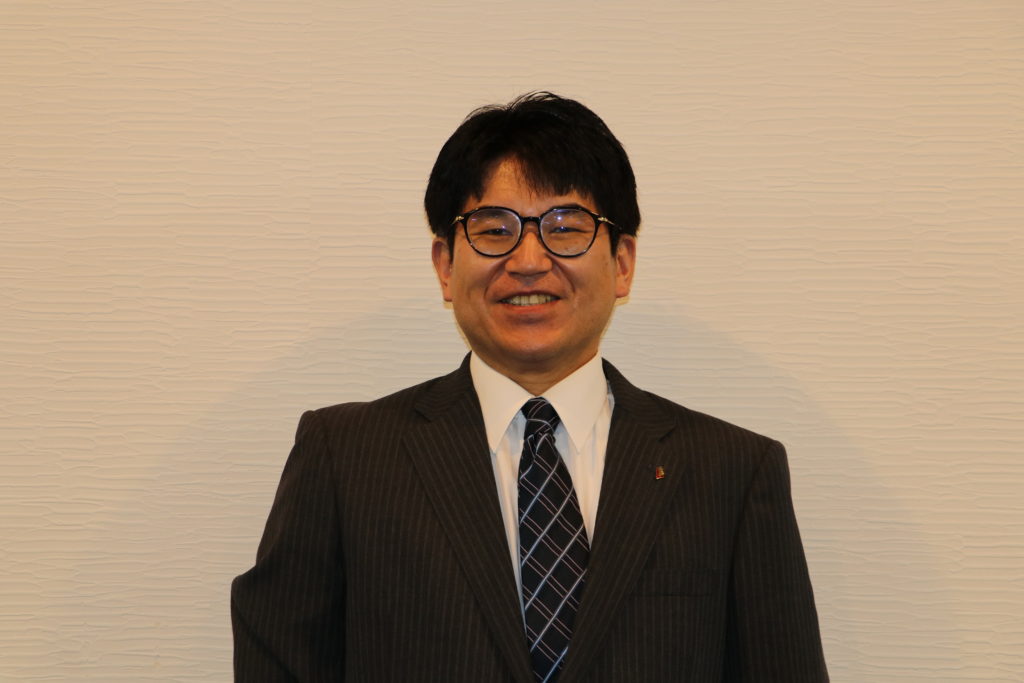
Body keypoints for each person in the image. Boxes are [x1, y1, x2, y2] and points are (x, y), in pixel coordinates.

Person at [231, 92, 829, 682]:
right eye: (495, 230)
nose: (528, 260)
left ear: (622, 263)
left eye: (565, 228)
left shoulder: (733, 472)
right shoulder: (344, 457)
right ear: (445, 265)